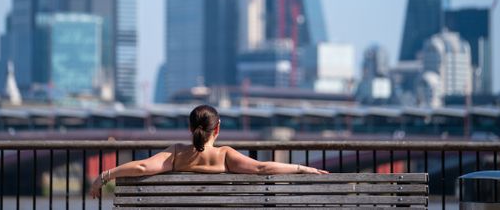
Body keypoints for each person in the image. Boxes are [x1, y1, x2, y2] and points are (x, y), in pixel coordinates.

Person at [89, 104, 328, 199]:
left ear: (190, 128)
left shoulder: (176, 154)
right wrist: (301, 168)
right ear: (218, 128)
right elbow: (262, 167)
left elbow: (141, 167)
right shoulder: (225, 155)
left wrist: (105, 175)